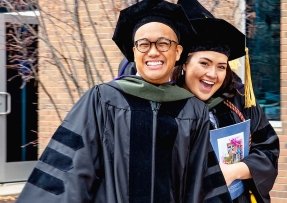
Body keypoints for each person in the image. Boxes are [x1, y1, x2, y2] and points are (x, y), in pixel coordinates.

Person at [16, 1, 210, 202]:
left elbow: (200, 184)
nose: (153, 52)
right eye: (143, 44)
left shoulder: (194, 111)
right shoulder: (102, 100)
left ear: (177, 52)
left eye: (163, 43)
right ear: (133, 52)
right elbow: (71, 172)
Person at [172, 0, 280, 202]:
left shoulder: (239, 100)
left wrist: (236, 170)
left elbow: (268, 148)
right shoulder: (163, 107)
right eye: (204, 63)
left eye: (221, 66)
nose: (212, 74)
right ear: (184, 63)